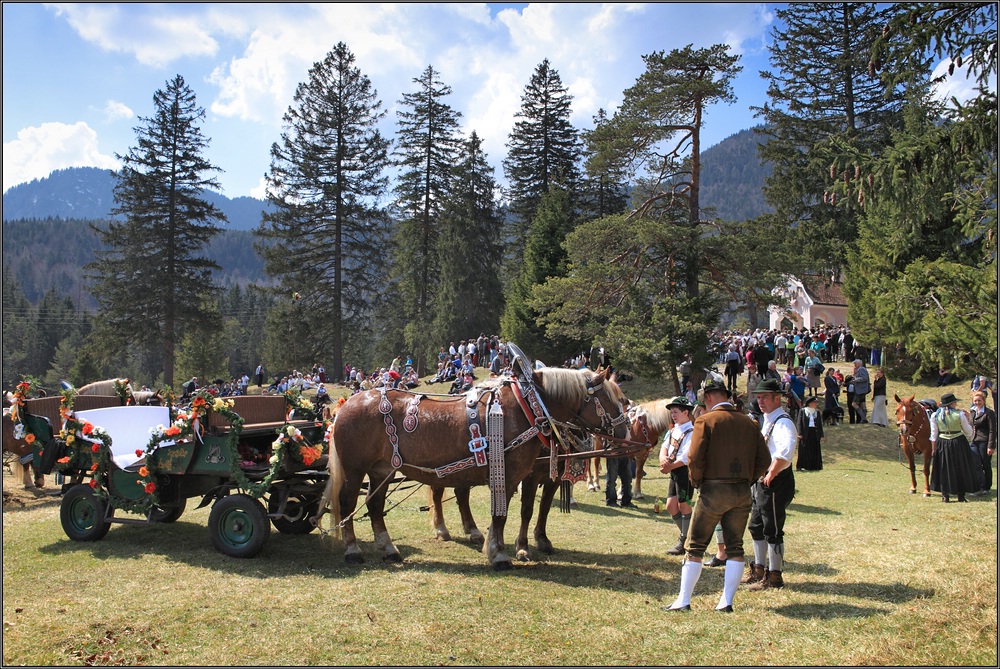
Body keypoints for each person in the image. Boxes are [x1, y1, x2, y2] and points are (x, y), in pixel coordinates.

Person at [664, 379, 770, 613]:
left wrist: (698, 481)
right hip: (741, 491)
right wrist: (747, 479)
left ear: (709, 397)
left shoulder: (705, 421)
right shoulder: (750, 423)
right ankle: (726, 602)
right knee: (735, 547)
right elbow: (765, 460)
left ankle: (683, 600)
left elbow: (695, 457)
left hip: (713, 490)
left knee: (695, 547)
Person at [745, 378, 797, 591]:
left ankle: (775, 576)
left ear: (778, 398)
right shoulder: (768, 419)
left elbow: (785, 452)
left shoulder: (783, 421)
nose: (761, 401)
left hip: (775, 481)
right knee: (756, 526)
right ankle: (759, 569)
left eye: (765, 397)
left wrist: (771, 473)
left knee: (773, 528)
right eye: (758, 397)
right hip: (763, 480)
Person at [659, 396, 696, 556]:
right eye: (672, 412)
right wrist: (663, 459)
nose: (673, 415)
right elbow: (664, 446)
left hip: (684, 473)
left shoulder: (692, 431)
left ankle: (684, 541)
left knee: (684, 503)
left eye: (676, 412)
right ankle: (688, 537)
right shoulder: (673, 430)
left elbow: (686, 456)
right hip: (673, 471)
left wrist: (670, 466)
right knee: (670, 505)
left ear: (686, 412)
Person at [929, 392, 979, 503]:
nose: (956, 404)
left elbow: (933, 435)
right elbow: (968, 431)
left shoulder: (935, 415)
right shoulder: (960, 415)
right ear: (952, 404)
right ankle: (960, 495)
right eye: (955, 402)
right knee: (960, 467)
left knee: (944, 468)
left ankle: (945, 495)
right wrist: (969, 419)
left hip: (942, 443)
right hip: (958, 442)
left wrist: (933, 449)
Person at [968, 391, 997, 496]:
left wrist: (991, 446)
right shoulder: (972, 412)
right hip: (973, 441)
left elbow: (992, 430)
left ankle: (986, 487)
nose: (977, 402)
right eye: (975, 400)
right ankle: (979, 487)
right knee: (976, 465)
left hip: (984, 442)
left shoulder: (989, 413)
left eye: (979, 400)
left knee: (986, 465)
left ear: (983, 401)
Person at [795, 395, 824, 471]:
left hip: (814, 432)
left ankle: (815, 466)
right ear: (810, 403)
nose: (816, 404)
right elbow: (799, 422)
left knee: (814, 449)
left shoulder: (817, 412)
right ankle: (803, 465)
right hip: (806, 433)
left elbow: (820, 424)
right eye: (814, 402)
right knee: (805, 449)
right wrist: (800, 433)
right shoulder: (803, 411)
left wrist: (821, 435)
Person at [851, 359, 871, 424]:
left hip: (861, 390)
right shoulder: (860, 369)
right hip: (861, 389)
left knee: (854, 404)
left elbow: (864, 378)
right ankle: (864, 419)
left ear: (860, 363)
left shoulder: (862, 369)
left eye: (855, 364)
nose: (855, 365)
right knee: (863, 404)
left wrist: (856, 380)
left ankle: (863, 418)